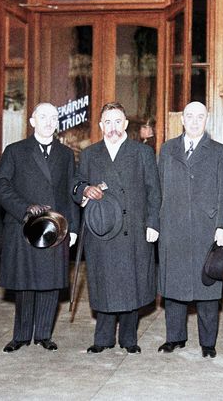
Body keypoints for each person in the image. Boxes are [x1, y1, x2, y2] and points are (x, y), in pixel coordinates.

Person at [72, 102, 161, 354]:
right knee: (104, 284)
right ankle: (103, 338)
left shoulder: (141, 153)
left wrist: (153, 223)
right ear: (101, 126)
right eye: (107, 122)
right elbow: (77, 183)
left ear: (125, 124)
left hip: (133, 230)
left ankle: (129, 339)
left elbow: (154, 191)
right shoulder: (90, 154)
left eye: (117, 121)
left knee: (131, 285)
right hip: (102, 230)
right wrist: (84, 191)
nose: (112, 127)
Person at [0, 102, 80, 353]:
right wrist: (24, 208)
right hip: (24, 227)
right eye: (43, 117)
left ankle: (44, 334)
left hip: (56, 228)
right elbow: (1, 185)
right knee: (26, 281)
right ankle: (20, 335)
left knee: (50, 281)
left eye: (53, 117)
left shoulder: (65, 154)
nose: (49, 121)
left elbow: (68, 191)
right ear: (32, 122)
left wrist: (72, 227)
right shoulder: (15, 151)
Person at [157, 101, 223, 358]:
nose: (194, 121)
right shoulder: (167, 150)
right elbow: (158, 191)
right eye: (189, 116)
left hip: (206, 230)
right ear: (182, 119)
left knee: (207, 289)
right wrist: (156, 224)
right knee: (174, 288)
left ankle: (208, 343)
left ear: (206, 119)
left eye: (199, 116)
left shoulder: (220, 152)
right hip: (173, 229)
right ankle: (175, 337)